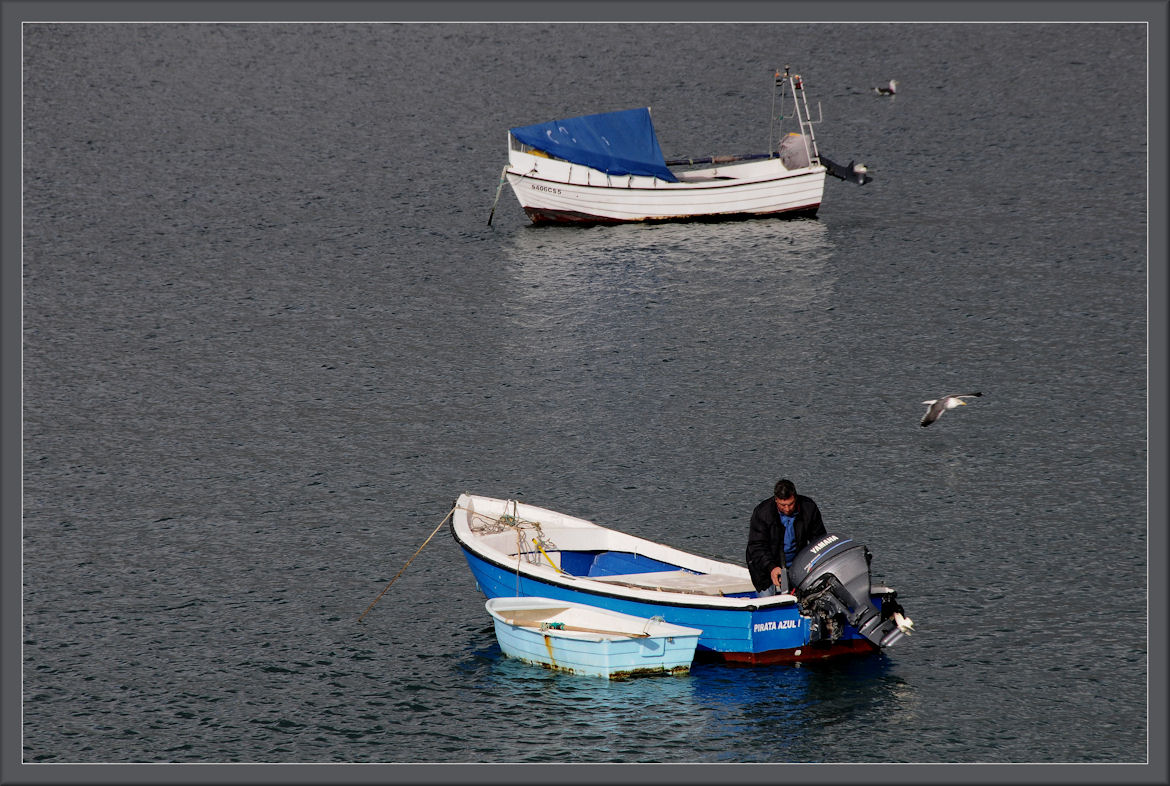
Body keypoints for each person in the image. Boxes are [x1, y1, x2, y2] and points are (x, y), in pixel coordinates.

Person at [745, 479, 828, 597]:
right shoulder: (762, 513)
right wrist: (771, 568)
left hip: (797, 563)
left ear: (796, 498)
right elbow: (757, 546)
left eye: (791, 504)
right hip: (765, 565)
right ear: (776, 500)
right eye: (783, 505)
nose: (787, 509)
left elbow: (819, 540)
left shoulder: (808, 508)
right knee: (768, 600)